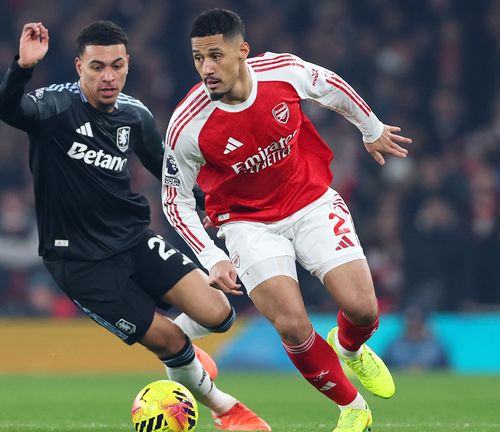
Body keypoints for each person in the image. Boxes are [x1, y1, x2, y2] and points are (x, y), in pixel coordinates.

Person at [0, 21, 269, 430]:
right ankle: (228, 410)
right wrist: (23, 66)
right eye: (97, 67)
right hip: (80, 262)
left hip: (134, 239)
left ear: (128, 65)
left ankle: (185, 361)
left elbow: (166, 169)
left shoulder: (135, 115)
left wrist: (211, 202)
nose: (108, 76)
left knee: (219, 313)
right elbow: (6, 109)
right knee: (173, 343)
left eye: (116, 66)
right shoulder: (53, 108)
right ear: (78, 67)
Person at [163, 9, 411, 432]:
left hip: (311, 201)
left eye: (216, 56)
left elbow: (332, 87)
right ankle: (353, 409)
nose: (207, 68)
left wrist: (370, 128)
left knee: (363, 309)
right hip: (247, 224)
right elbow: (174, 200)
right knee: (293, 325)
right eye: (198, 58)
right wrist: (212, 257)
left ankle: (349, 349)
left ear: (242, 51)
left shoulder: (283, 72)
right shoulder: (188, 125)